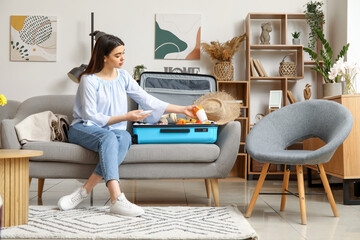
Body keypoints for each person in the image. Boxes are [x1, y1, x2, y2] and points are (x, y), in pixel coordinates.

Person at [57, 34, 196, 217]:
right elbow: (92, 116)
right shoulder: (88, 79)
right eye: (117, 55)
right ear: (103, 57)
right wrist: (126, 116)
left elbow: (147, 99)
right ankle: (117, 198)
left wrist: (182, 108)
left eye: (123, 53)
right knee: (109, 137)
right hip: (84, 128)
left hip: (111, 131)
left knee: (124, 137)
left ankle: (84, 191)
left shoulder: (123, 76)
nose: (123, 58)